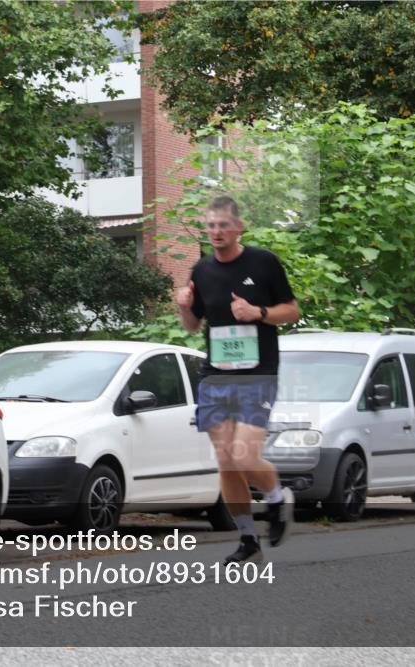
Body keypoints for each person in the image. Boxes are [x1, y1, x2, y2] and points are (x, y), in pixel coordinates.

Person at [176, 195, 301, 563]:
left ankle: (278, 500)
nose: (216, 232)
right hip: (216, 375)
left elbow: (291, 312)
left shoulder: (263, 263)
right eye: (210, 225)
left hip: (257, 373)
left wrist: (257, 312)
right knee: (226, 461)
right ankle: (248, 539)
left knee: (244, 455)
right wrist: (184, 306)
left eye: (223, 225)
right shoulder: (201, 270)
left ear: (238, 227)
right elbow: (193, 325)